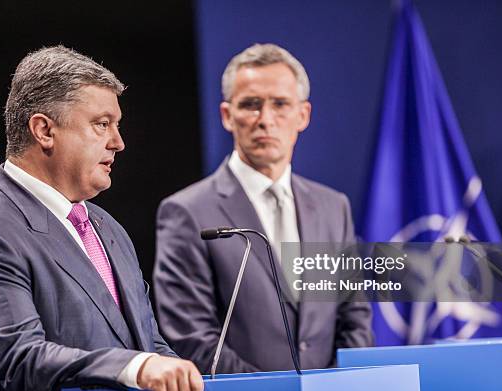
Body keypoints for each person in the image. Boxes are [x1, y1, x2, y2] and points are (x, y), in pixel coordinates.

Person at [0, 45, 203, 391]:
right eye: (101, 124)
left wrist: (181, 376)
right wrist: (138, 366)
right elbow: (22, 359)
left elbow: (145, 344)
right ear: (44, 130)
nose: (118, 143)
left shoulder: (107, 229)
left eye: (116, 126)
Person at [153, 43, 373, 374]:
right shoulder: (186, 212)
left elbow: (354, 318)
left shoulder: (333, 207)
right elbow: (192, 338)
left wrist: (333, 390)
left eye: (280, 104)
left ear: (303, 115)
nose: (265, 120)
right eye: (251, 105)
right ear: (227, 116)